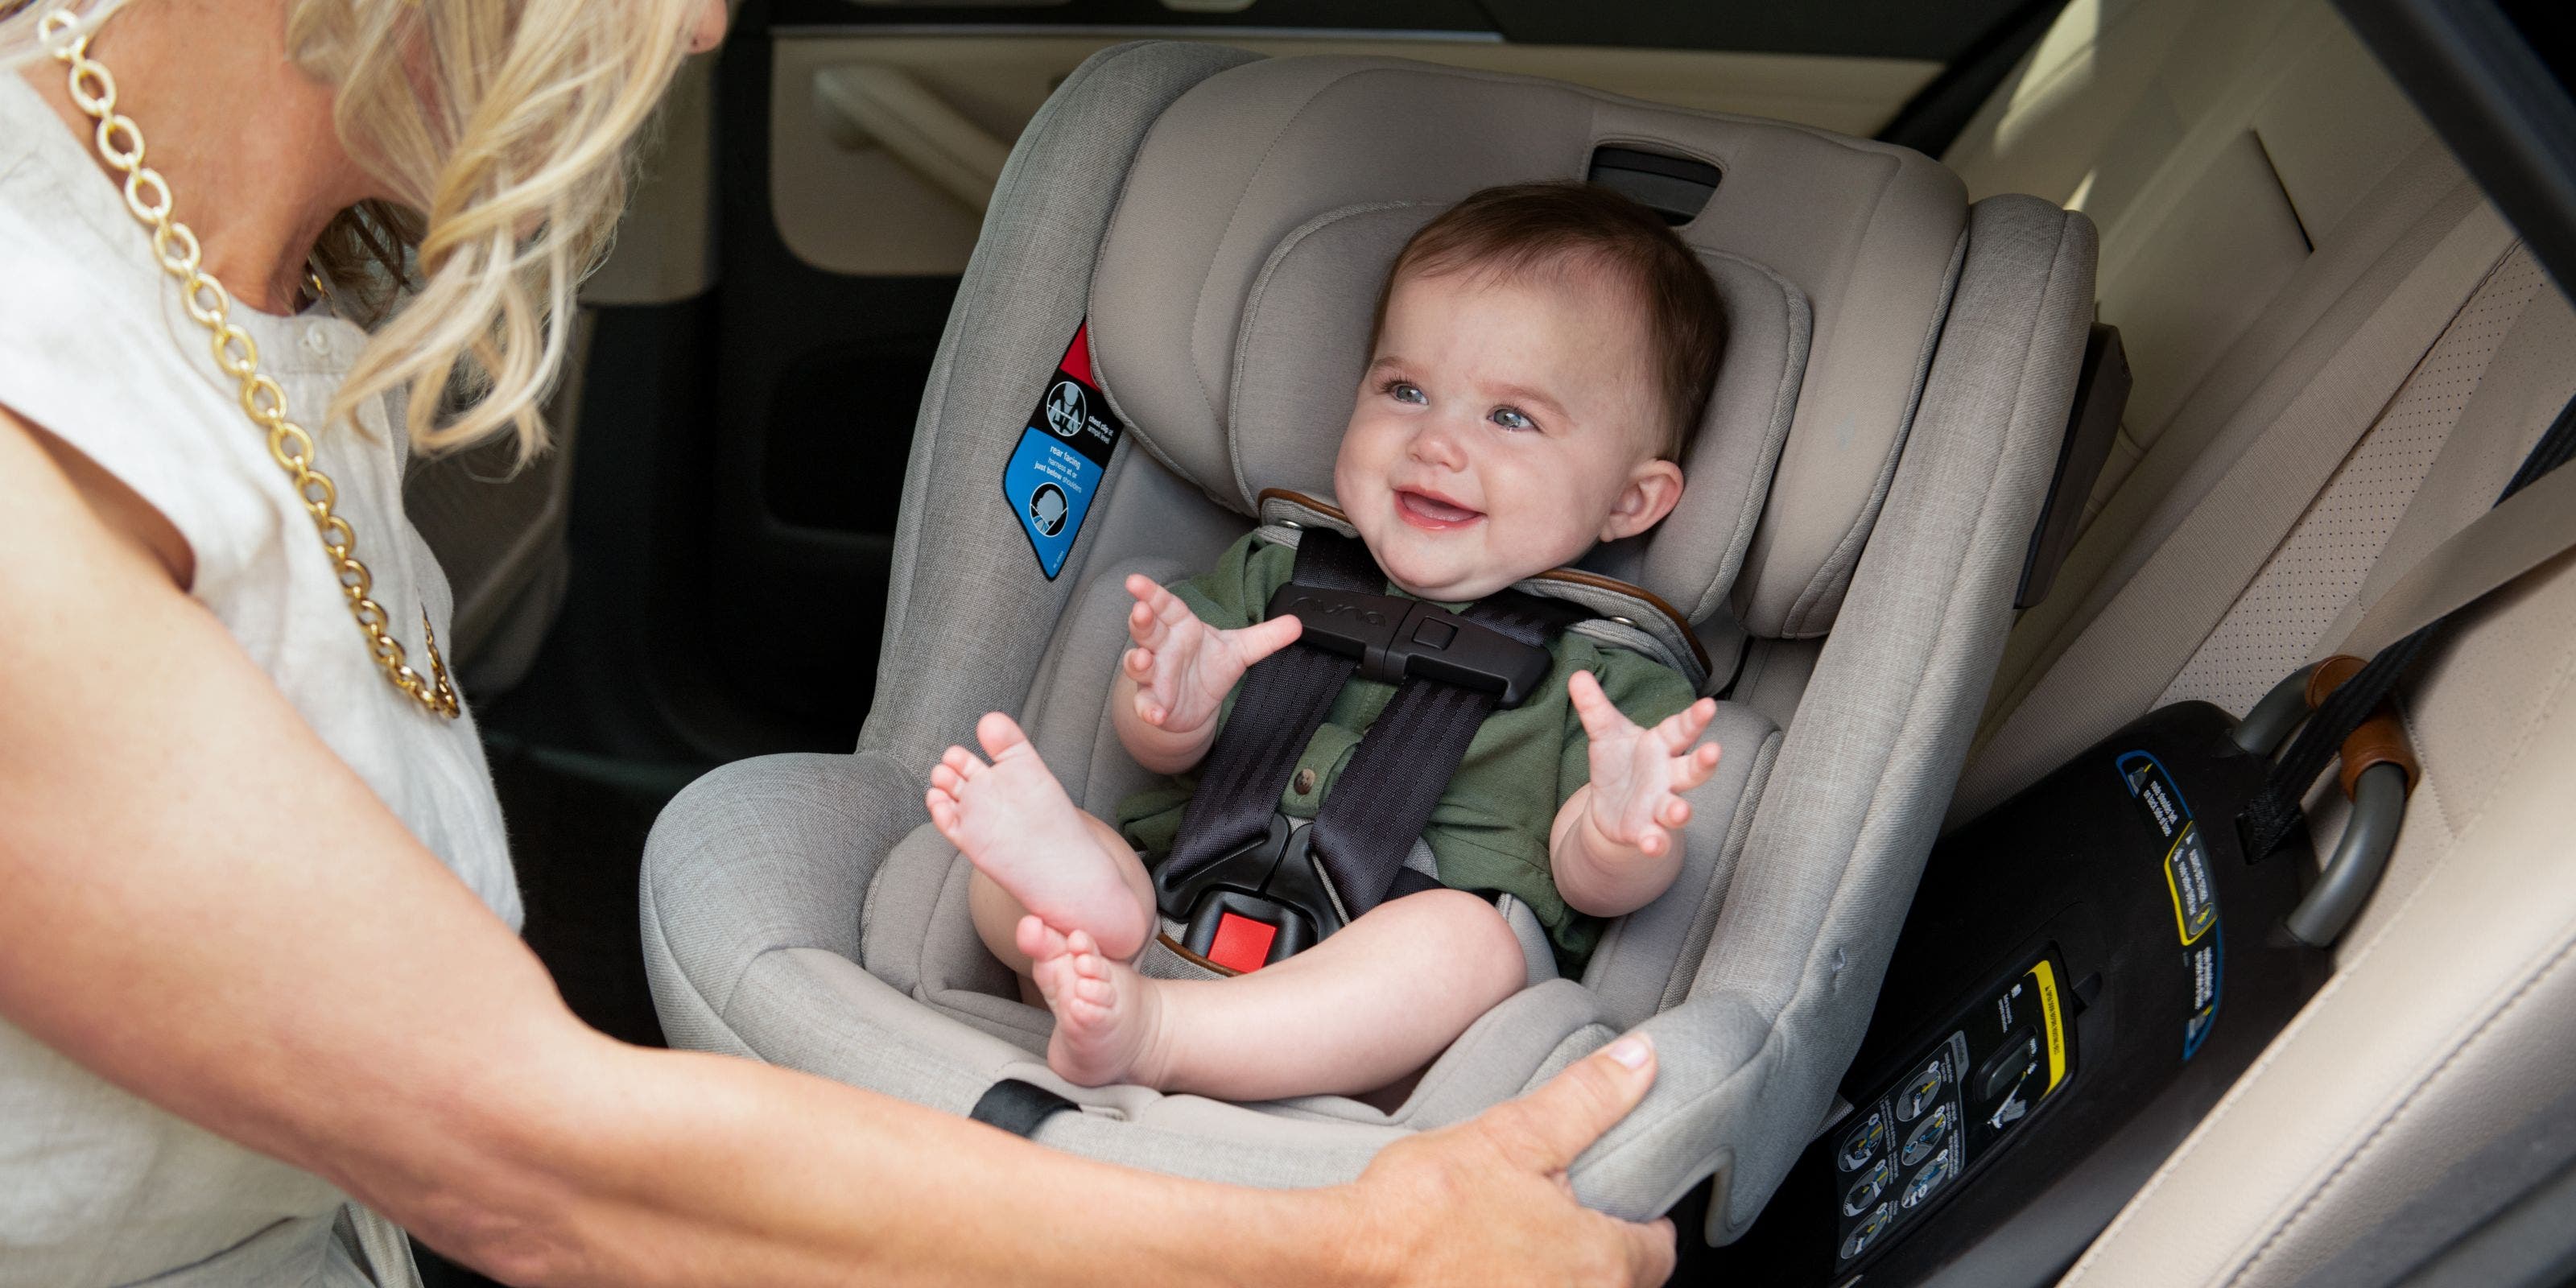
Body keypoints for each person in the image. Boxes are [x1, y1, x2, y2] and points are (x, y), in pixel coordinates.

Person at [0, 1, 1678, 1284]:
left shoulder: (279, 294)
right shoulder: (39, 394)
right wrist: (1357, 1244)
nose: (717, 23)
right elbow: (522, 1156)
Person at [933, 184, 1729, 1099]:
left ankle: (1155, 1034)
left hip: (1384, 1000)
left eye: (1509, 418)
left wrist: (1621, 834)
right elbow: (1152, 741)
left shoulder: (1614, 680)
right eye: (1404, 390)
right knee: (1008, 863)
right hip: (1173, 907)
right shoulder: (1279, 572)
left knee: (1465, 948)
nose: (1434, 442)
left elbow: (1591, 886)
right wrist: (1166, 705)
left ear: (1632, 499)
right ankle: (1096, 918)